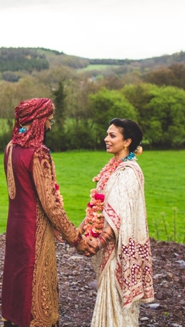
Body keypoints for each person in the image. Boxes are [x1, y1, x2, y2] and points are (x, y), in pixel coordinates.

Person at [1, 98, 88, 327]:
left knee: (16, 273)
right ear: (38, 120)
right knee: (36, 276)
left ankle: (14, 319)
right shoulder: (38, 153)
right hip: (34, 228)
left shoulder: (11, 147)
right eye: (48, 120)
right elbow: (50, 204)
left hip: (15, 226)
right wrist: (75, 238)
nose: (50, 126)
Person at [78, 118, 154, 326]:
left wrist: (99, 242)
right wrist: (79, 230)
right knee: (106, 300)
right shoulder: (113, 167)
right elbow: (99, 204)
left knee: (115, 305)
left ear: (127, 141)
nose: (106, 139)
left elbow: (119, 215)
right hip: (107, 250)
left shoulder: (129, 172)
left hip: (117, 252)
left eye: (112, 135)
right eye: (107, 134)